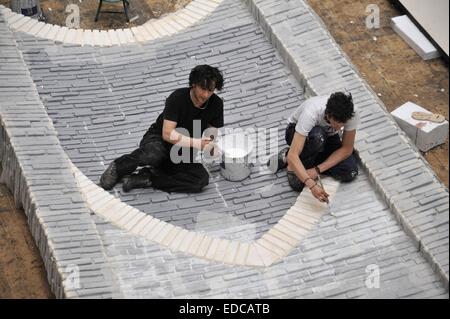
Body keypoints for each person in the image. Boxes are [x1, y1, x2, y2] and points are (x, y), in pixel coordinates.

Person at [100, 64, 224, 193]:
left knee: (200, 180)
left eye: (210, 90)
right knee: (153, 154)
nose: (205, 95)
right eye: (203, 89)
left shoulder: (216, 104)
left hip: (183, 149)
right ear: (194, 84)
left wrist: (210, 146)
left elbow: (210, 134)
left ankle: (148, 178)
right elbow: (167, 133)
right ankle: (118, 168)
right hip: (159, 139)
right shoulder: (177, 98)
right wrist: (197, 143)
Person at [267, 92, 359, 203]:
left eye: (343, 124)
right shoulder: (311, 112)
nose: (340, 127)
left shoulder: (351, 113)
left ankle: (308, 161)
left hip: (327, 137)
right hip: (297, 133)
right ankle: (287, 158)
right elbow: (294, 155)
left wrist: (316, 170)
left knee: (350, 171)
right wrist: (311, 184)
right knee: (318, 138)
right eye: (337, 123)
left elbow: (347, 149)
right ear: (328, 114)